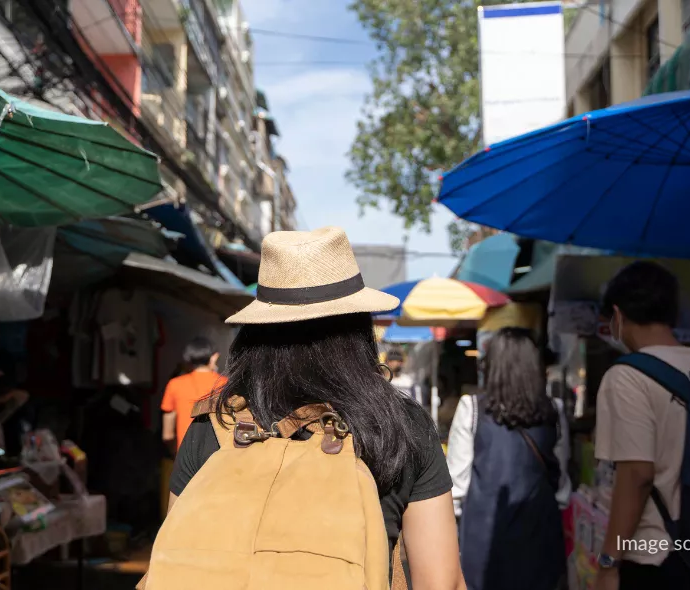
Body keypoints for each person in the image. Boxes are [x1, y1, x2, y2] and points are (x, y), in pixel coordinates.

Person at [161, 227, 463, 589]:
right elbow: (441, 583)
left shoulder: (215, 423)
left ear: (257, 330)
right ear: (358, 324)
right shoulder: (398, 424)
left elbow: (175, 558)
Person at [593, 261, 690, 590]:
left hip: (659, 559)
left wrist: (608, 563)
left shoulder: (628, 376)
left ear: (618, 316)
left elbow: (637, 475)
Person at [446, 328, 564, 590]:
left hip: (483, 535)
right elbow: (562, 482)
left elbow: (457, 485)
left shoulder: (472, 407)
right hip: (540, 532)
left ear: (492, 366)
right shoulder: (554, 409)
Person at [160, 337, 223, 454]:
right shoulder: (226, 385)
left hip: (186, 457)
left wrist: (178, 456)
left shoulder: (175, 384)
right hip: (217, 458)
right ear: (214, 357)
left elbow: (167, 435)